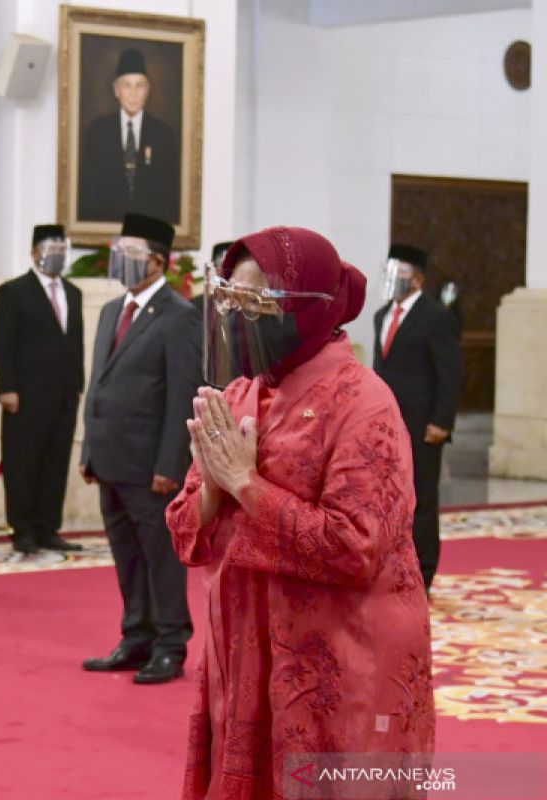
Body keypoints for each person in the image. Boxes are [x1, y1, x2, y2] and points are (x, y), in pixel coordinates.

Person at [166, 226, 433, 798]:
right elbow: (188, 535)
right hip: (244, 651)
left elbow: (353, 547)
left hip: (341, 652)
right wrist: (213, 492)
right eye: (230, 302)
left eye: (255, 305)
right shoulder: (238, 394)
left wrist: (244, 483)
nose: (238, 320)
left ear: (305, 311)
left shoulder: (363, 403)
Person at [79, 213, 200, 684]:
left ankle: (170, 644)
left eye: (128, 254)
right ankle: (136, 636)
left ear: (156, 260)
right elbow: (98, 386)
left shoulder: (180, 316)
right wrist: (89, 450)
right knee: (126, 554)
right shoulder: (113, 310)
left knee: (160, 558)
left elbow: (181, 395)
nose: (119, 261)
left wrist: (171, 463)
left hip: (151, 465)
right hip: (111, 460)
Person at [373, 243, 462, 592]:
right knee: (389, 496)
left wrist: (441, 420)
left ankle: (423, 573)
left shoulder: (436, 317)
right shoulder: (382, 315)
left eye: (401, 275)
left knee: (422, 498)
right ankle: (392, 564)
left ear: (418, 278)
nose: (394, 281)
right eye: (390, 274)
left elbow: (450, 373)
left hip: (424, 426)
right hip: (389, 425)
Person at [0, 224, 85, 555]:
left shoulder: (73, 292)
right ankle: (23, 530)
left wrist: (78, 385)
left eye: (62, 251)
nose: (57, 257)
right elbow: (3, 343)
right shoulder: (14, 292)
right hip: (25, 396)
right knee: (23, 463)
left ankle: (49, 528)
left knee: (55, 464)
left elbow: (74, 341)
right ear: (34, 253)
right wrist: (7, 387)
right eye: (50, 250)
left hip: (63, 396)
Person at [78, 49, 179, 224]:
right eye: (127, 85)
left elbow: (169, 195)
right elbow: (88, 193)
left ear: (147, 90)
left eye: (139, 86)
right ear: (116, 90)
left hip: (149, 230)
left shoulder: (163, 135)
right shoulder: (97, 133)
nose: (133, 93)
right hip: (105, 229)